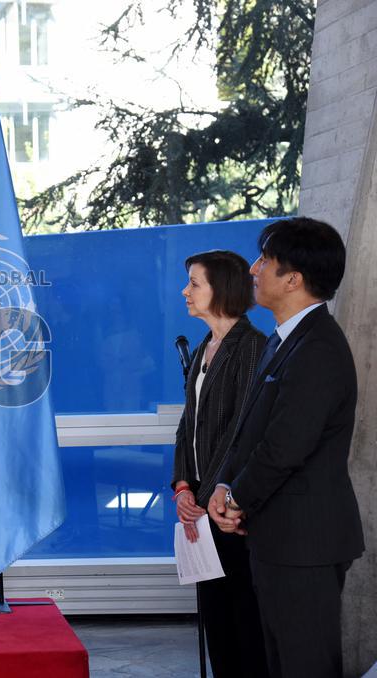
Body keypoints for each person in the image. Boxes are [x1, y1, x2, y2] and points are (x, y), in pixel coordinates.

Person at [209, 217, 365, 678]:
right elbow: (250, 430)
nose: (253, 269)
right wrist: (223, 484)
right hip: (279, 537)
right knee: (280, 663)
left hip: (306, 542)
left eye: (264, 261)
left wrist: (236, 498)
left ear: (293, 278)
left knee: (306, 665)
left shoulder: (317, 347)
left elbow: (285, 447)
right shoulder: (284, 340)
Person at [172, 250, 268, 677]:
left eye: (195, 283)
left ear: (222, 289)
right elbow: (187, 424)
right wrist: (182, 486)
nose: (185, 291)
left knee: (244, 625)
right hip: (203, 500)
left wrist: (208, 493)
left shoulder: (252, 347)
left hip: (232, 506)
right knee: (217, 625)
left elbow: (241, 430)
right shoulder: (203, 348)